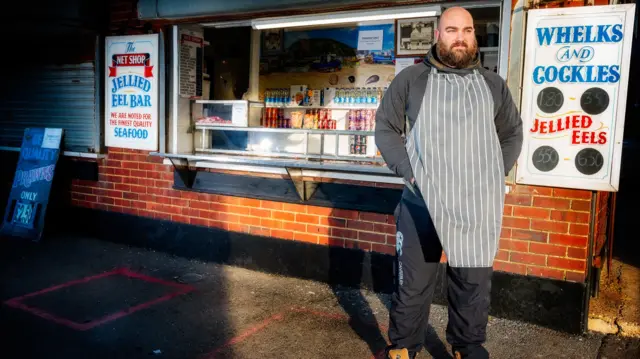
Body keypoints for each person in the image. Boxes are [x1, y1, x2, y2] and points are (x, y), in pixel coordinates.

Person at [375, 6, 523, 359]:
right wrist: (410, 172)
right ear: (438, 35)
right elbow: (386, 129)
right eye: (452, 29)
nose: (460, 36)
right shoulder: (411, 81)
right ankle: (404, 346)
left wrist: (491, 173)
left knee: (472, 285)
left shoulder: (492, 85)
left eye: (467, 30)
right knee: (412, 285)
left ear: (475, 36)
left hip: (476, 204)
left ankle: (467, 348)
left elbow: (512, 135)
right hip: (420, 204)